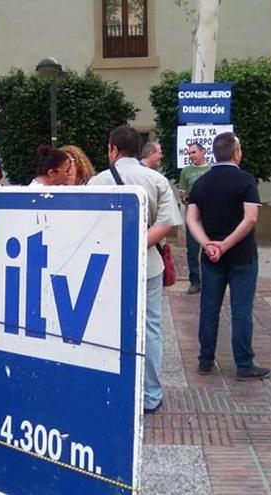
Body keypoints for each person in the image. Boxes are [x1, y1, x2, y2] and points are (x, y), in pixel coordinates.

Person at [88, 126, 182, 414]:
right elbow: (167, 224)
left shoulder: (97, 182)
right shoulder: (157, 180)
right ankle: (150, 394)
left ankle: (110, 390)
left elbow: (88, 226)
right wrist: (137, 245)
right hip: (148, 264)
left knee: (105, 327)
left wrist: (119, 246)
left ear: (113, 149)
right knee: (150, 327)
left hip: (106, 267)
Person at [185, 132, 268, 380]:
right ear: (237, 153)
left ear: (214, 153)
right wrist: (226, 244)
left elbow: (192, 218)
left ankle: (205, 360)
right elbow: (251, 218)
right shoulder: (246, 180)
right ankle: (244, 365)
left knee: (209, 308)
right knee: (241, 310)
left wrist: (208, 244)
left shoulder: (201, 182)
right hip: (242, 256)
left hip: (210, 257)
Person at [178, 143, 211, 295]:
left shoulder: (211, 169)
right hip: (193, 216)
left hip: (210, 216)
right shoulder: (186, 171)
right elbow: (182, 192)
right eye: (189, 153)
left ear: (203, 152)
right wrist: (187, 198)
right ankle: (195, 281)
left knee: (209, 248)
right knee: (192, 251)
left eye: (194, 152)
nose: (191, 155)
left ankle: (210, 281)